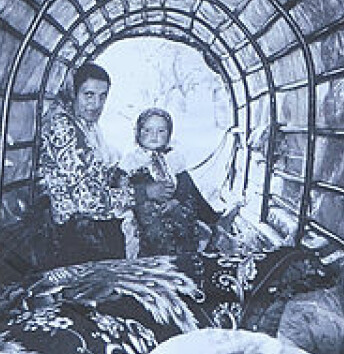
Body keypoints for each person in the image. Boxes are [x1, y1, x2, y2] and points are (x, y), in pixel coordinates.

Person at [37, 61, 134, 266]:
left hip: (93, 225)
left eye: (102, 96)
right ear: (74, 93)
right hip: (75, 235)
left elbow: (93, 174)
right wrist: (140, 194)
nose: (96, 104)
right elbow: (85, 200)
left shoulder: (87, 126)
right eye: (88, 94)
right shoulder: (62, 126)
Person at [120, 107, 225, 259]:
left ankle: (193, 243)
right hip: (145, 206)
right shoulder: (132, 159)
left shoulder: (172, 157)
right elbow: (122, 185)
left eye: (161, 131)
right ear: (138, 132)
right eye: (147, 131)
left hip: (172, 202)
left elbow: (185, 184)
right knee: (154, 229)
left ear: (169, 134)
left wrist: (176, 201)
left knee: (184, 216)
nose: (154, 136)